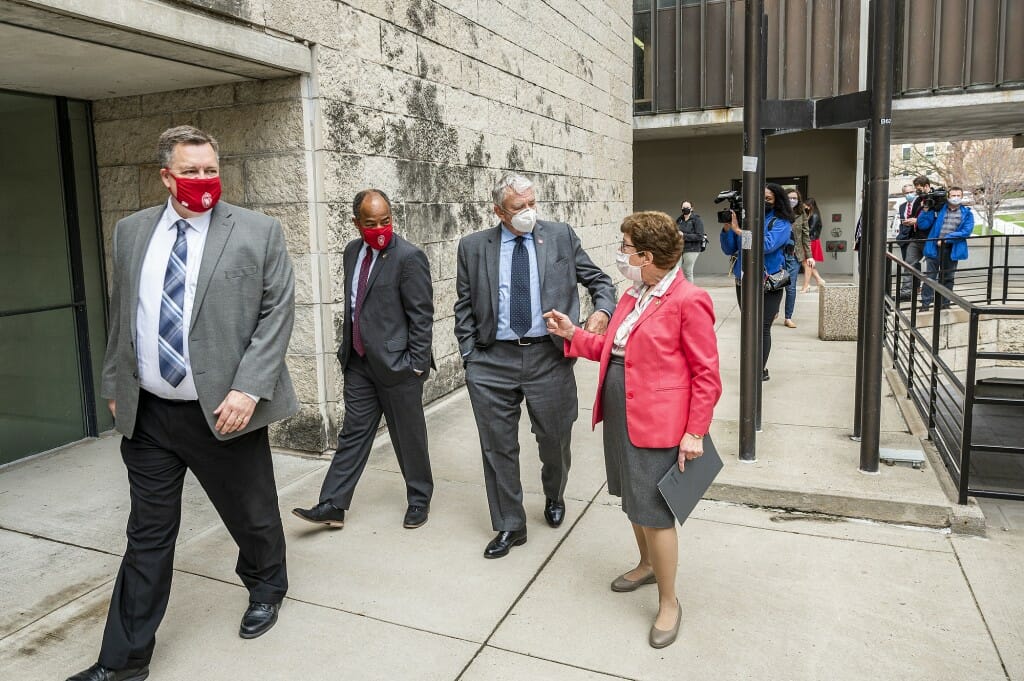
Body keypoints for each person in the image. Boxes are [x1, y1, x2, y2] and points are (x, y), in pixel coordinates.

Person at [68, 126, 298, 681]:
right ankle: (122, 664)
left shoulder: (258, 231)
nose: (203, 180)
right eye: (190, 171)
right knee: (147, 535)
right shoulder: (130, 232)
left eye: (210, 169)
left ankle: (267, 586)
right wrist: (115, 389)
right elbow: (123, 317)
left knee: (253, 514)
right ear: (166, 175)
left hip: (223, 411)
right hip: (148, 414)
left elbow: (277, 314)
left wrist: (248, 389)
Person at [543, 211, 722, 649]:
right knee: (633, 499)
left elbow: (707, 375)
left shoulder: (688, 299)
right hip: (622, 410)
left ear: (646, 255)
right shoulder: (633, 293)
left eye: (625, 248)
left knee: (657, 513)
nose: (620, 255)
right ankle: (645, 565)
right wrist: (572, 334)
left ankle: (669, 601)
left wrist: (694, 432)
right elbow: (612, 349)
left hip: (660, 421)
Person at [454, 173, 615, 559]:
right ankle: (511, 524)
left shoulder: (559, 235)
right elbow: (463, 306)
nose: (528, 212)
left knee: (555, 439)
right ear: (498, 211)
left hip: (549, 357)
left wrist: (601, 313)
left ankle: (554, 493)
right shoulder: (473, 246)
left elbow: (600, 281)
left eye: (531, 204)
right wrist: (470, 356)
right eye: (517, 207)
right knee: (498, 447)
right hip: (492, 361)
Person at [292, 189, 435, 531]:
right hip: (359, 362)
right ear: (356, 223)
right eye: (370, 223)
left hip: (398, 365)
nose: (380, 228)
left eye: (386, 220)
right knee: (353, 433)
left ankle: (419, 499)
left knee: (408, 436)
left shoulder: (409, 257)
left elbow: (422, 316)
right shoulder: (353, 251)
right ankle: (333, 504)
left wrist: (415, 364)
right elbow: (356, 303)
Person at [720, 183, 793, 381]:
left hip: (768, 282)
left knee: (763, 327)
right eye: (761, 198)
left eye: (768, 199)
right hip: (743, 281)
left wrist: (738, 231)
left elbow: (766, 245)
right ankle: (750, 366)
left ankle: (758, 371)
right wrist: (728, 229)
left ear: (778, 201)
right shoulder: (746, 220)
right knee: (750, 326)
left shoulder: (781, 222)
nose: (764, 202)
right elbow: (729, 249)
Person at [919, 186, 974, 311]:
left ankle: (944, 304)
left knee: (948, 278)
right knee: (930, 277)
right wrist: (926, 209)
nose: (955, 198)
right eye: (953, 195)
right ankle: (925, 304)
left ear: (962, 196)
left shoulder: (967, 213)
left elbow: (966, 232)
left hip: (952, 249)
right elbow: (923, 225)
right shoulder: (939, 210)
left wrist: (946, 239)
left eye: (958, 195)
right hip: (934, 248)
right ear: (948, 196)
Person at [782, 188, 812, 327]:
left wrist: (809, 256)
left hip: (795, 255)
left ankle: (788, 317)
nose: (792, 200)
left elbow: (806, 236)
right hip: (779, 254)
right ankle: (773, 311)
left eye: (795, 198)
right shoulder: (779, 212)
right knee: (774, 285)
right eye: (790, 198)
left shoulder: (802, 214)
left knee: (791, 287)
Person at [895, 183, 918, 300]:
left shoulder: (919, 203)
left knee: (910, 263)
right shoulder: (902, 206)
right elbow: (902, 221)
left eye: (911, 192)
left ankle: (908, 291)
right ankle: (913, 289)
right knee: (907, 263)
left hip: (916, 237)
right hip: (904, 238)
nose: (909, 194)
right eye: (906, 193)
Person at [800, 197, 828, 292]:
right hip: (811, 240)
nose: (804, 207)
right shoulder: (812, 214)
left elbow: (810, 229)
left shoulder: (814, 215)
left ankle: (807, 285)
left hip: (811, 241)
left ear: (810, 205)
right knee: (807, 263)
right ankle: (819, 280)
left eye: (806, 205)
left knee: (807, 263)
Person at [675, 200, 705, 283]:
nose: (685, 209)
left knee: (687, 271)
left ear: (692, 208)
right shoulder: (679, 220)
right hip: (680, 248)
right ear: (681, 208)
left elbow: (700, 236)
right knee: (676, 270)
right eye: (683, 207)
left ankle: (689, 292)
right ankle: (679, 290)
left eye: (687, 207)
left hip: (692, 249)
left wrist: (684, 235)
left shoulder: (696, 219)